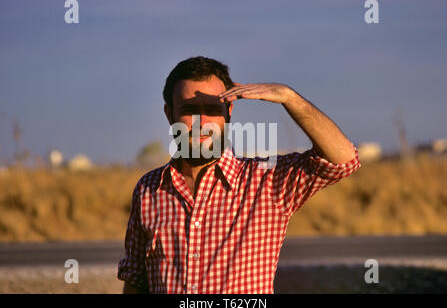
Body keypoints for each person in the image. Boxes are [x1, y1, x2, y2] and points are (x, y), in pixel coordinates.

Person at [117, 56, 361, 294]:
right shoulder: (149, 188)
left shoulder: (266, 181)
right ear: (170, 114)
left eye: (212, 109)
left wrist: (289, 98)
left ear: (229, 111)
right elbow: (137, 280)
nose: (203, 122)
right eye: (190, 110)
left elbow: (342, 160)